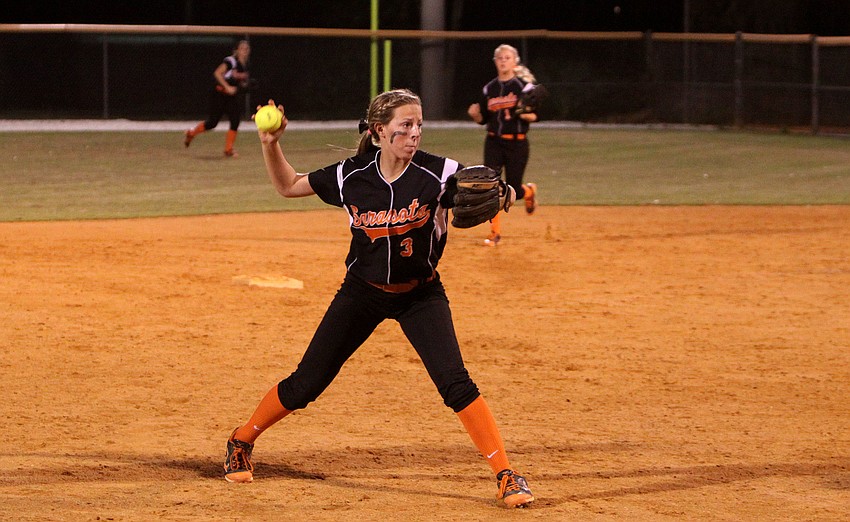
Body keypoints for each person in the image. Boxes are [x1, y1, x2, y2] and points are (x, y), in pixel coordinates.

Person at [222, 89, 535, 509]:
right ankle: (242, 439)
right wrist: (270, 143)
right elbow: (289, 185)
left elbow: (488, 189)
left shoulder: (440, 174)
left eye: (419, 124)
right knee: (306, 383)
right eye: (405, 125)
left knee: (455, 382)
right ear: (379, 131)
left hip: (420, 294)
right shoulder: (351, 175)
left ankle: (506, 474)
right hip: (362, 293)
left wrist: (506, 194)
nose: (415, 133)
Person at [467, 43, 540, 246]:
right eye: (500, 58)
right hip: (493, 142)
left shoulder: (524, 88)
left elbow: (535, 115)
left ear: (515, 61)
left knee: (514, 189)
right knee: (492, 187)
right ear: (495, 62)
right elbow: (483, 118)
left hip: (517, 143)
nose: (503, 61)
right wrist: (475, 115)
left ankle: (528, 192)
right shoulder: (489, 89)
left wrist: (524, 113)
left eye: (507, 58)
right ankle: (495, 233)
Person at [184, 39, 251, 157]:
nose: (245, 51)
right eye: (242, 48)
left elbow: (239, 82)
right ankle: (191, 133)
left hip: (230, 97)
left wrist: (245, 86)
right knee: (212, 123)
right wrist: (227, 87)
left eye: (246, 48)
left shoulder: (244, 66)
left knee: (235, 120)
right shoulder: (231, 61)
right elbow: (217, 73)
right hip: (219, 94)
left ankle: (228, 149)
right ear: (236, 50)